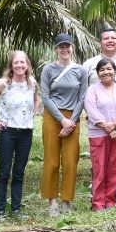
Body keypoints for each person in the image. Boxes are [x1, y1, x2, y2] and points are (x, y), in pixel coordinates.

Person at [0, 51, 39, 222]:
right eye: (16, 63)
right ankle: (0, 211)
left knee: (19, 172)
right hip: (7, 133)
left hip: (26, 132)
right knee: (4, 172)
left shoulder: (32, 83)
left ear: (27, 65)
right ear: (11, 66)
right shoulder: (4, 84)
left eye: (22, 63)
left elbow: (35, 100)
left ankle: (16, 209)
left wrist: (32, 113)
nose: (19, 66)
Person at [83, 27, 116, 201]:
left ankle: (115, 199)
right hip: (97, 126)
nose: (110, 40)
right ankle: (98, 200)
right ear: (100, 42)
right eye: (106, 38)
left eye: (114, 38)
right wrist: (106, 125)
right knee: (99, 166)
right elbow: (85, 97)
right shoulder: (89, 64)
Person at [40, 33, 88, 217]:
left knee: (70, 161)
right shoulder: (48, 70)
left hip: (73, 118)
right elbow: (45, 96)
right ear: (56, 49)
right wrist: (62, 120)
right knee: (51, 161)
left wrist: (71, 121)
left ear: (72, 48)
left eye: (67, 46)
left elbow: (82, 97)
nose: (65, 49)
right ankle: (52, 201)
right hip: (53, 117)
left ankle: (67, 200)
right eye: (61, 47)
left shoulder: (81, 71)